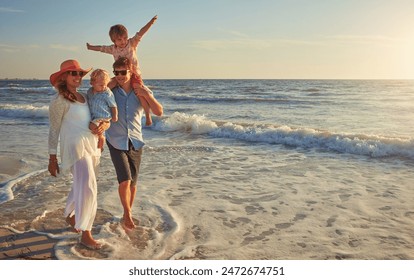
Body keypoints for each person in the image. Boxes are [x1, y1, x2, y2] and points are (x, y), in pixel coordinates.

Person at [48, 59, 108, 249]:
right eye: (73, 73)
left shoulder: (84, 97)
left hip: (91, 144)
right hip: (74, 146)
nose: (77, 77)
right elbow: (53, 130)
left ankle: (69, 214)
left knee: (83, 183)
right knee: (89, 186)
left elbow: (97, 117)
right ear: (64, 77)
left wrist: (104, 128)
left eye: (80, 73)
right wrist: (52, 157)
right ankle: (85, 233)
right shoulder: (59, 101)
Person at [106, 57, 163, 230]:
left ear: (130, 71)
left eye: (123, 72)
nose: (120, 76)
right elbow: (93, 97)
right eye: (116, 73)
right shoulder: (111, 91)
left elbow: (159, 112)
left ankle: (125, 213)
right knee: (124, 180)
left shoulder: (141, 90)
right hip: (115, 140)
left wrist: (146, 94)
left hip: (136, 141)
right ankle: (128, 214)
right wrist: (108, 85)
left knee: (133, 183)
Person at [86, 15, 158, 126]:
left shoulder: (131, 44)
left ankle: (148, 116)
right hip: (119, 74)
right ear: (114, 41)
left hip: (134, 75)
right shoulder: (113, 49)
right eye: (119, 40)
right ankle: (97, 110)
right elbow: (101, 48)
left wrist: (151, 22)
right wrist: (91, 47)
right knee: (106, 86)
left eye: (125, 38)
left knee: (139, 93)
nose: (123, 41)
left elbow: (141, 33)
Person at [87, 69, 118, 151]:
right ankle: (99, 146)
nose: (104, 87)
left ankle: (101, 138)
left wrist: (115, 116)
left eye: (105, 85)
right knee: (93, 129)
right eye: (101, 85)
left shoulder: (107, 93)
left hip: (103, 116)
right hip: (94, 116)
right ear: (92, 83)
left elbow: (113, 105)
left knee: (92, 126)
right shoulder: (89, 91)